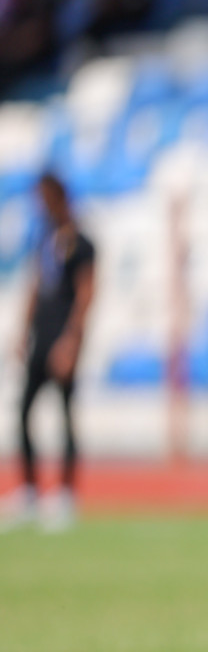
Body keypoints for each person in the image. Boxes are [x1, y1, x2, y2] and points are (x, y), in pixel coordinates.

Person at [8, 172, 94, 531]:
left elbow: (87, 291)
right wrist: (22, 331)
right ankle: (28, 490)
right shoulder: (44, 239)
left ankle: (65, 494)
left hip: (63, 338)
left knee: (65, 415)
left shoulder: (82, 243)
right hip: (41, 336)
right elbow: (35, 285)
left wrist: (72, 340)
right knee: (24, 412)